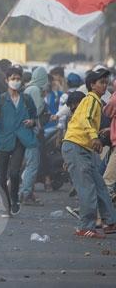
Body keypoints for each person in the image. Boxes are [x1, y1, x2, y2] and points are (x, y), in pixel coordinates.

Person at [62, 68, 116, 238]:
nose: (104, 85)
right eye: (101, 82)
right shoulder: (91, 99)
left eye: (106, 82)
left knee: (99, 185)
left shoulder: (96, 102)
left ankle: (110, 221)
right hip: (76, 146)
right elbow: (85, 120)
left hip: (82, 148)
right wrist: (95, 138)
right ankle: (85, 226)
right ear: (92, 85)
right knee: (88, 188)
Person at [0, 66, 38, 218]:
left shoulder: (27, 99)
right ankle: (7, 205)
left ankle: (15, 199)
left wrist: (31, 122)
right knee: (1, 178)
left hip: (20, 140)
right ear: (6, 80)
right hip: (2, 140)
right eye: (12, 78)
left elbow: (35, 117)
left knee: (14, 173)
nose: (15, 81)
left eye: (18, 78)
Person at [20, 67, 49, 206]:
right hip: (32, 132)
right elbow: (37, 111)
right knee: (33, 164)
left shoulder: (28, 88)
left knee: (29, 163)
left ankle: (26, 192)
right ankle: (26, 194)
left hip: (24, 131)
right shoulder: (36, 90)